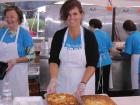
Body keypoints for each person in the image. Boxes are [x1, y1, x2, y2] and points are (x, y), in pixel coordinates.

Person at [46, 0, 99, 97]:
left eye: (75, 14)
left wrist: (83, 84)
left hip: (84, 85)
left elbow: (92, 64)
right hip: (63, 84)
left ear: (81, 14)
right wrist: (53, 79)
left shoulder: (89, 36)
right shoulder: (59, 35)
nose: (71, 18)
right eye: (68, 14)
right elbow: (53, 60)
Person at [0, 6, 35, 96]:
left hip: (18, 77)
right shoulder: (1, 32)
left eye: (12, 16)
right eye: (7, 17)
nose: (9, 19)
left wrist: (15, 60)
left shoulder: (24, 34)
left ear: (18, 18)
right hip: (2, 77)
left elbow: (31, 56)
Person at [89, 18, 118, 95]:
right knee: (105, 80)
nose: (89, 28)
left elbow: (89, 49)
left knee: (97, 81)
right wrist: (117, 53)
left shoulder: (91, 35)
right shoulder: (105, 34)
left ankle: (98, 97)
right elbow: (111, 49)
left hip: (97, 61)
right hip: (107, 60)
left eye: (89, 26)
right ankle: (106, 97)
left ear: (92, 25)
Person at [120, 20, 140, 91]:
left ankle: (137, 95)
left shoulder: (131, 37)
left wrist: (119, 52)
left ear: (126, 29)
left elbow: (127, 54)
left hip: (136, 59)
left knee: (136, 78)